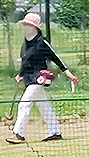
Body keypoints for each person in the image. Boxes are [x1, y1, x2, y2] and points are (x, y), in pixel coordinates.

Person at [7, 11, 77, 143]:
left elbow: (55, 58)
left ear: (35, 28)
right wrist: (21, 74)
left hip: (39, 78)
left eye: (28, 25)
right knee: (44, 106)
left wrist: (68, 73)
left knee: (24, 104)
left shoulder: (42, 42)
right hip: (28, 78)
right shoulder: (25, 44)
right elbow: (26, 61)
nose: (25, 28)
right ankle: (55, 132)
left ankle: (18, 134)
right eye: (24, 25)